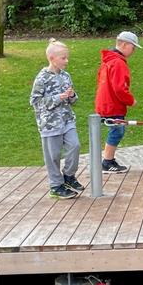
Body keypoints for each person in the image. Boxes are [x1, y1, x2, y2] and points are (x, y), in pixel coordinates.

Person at [30, 39, 84, 199]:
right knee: (53, 156)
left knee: (75, 146)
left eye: (67, 57)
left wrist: (72, 96)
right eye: (63, 58)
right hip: (49, 124)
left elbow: (73, 100)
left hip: (67, 120)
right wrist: (58, 98)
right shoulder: (42, 78)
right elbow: (35, 102)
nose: (66, 61)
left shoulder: (66, 76)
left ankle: (69, 176)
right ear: (52, 58)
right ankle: (56, 185)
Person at [95, 31, 141, 173]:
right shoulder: (118, 63)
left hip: (104, 102)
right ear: (124, 44)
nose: (133, 51)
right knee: (117, 130)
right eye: (133, 47)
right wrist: (131, 100)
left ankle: (108, 160)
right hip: (112, 105)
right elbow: (120, 88)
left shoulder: (108, 60)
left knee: (116, 130)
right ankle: (107, 162)